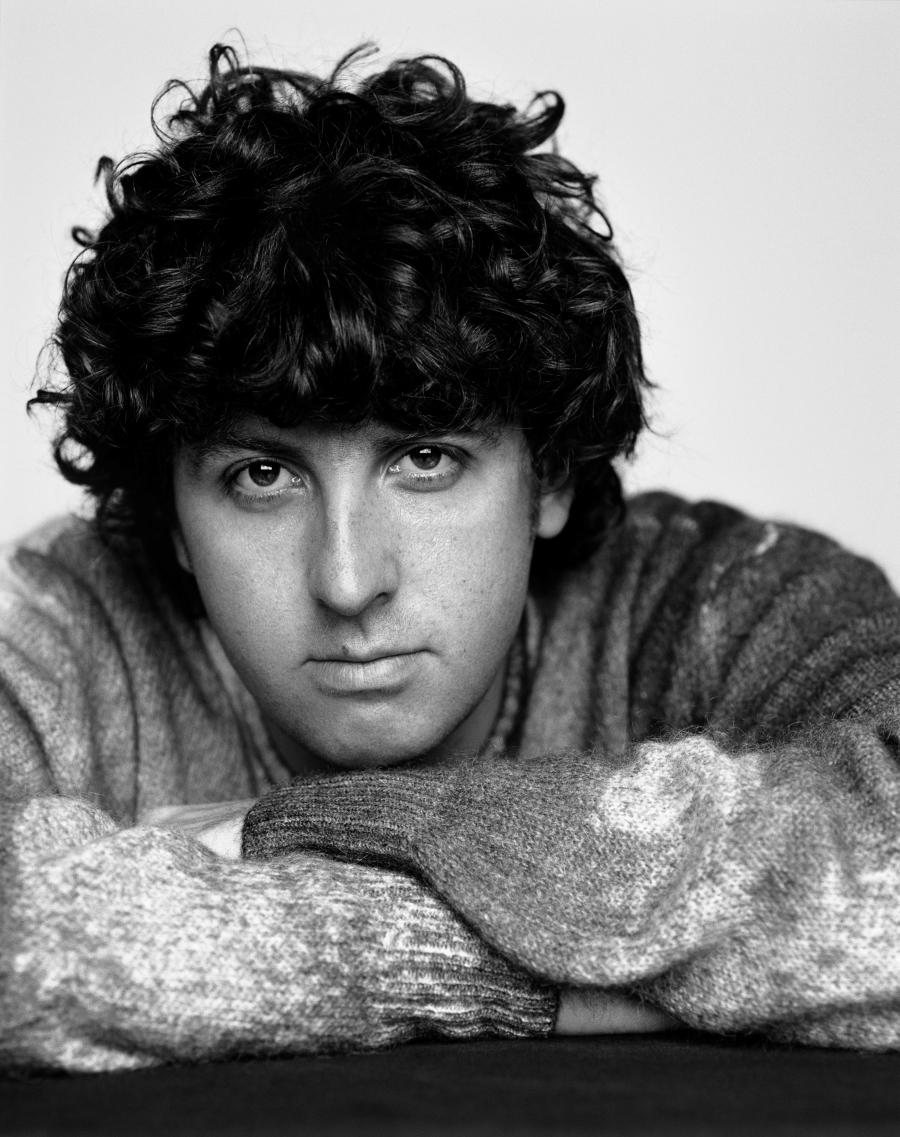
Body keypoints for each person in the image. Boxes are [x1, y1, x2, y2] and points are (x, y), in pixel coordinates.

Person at [2, 42, 899, 1074]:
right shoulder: (59, 628)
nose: (348, 582)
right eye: (263, 475)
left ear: (550, 473)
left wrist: (298, 834)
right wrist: (575, 963)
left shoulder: (724, 599)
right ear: (168, 515)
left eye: (423, 459)